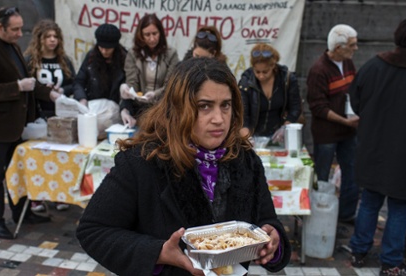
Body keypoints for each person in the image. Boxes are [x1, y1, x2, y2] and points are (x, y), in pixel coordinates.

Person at [76, 58, 291, 275]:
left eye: (225, 105)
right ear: (178, 108)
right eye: (204, 106)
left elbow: (267, 221)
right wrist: (158, 253)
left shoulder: (245, 160)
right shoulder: (143, 162)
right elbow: (93, 230)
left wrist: (273, 242)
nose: (219, 119)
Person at [0, 6, 59, 239]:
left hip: (17, 124)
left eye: (21, 28)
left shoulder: (13, 46)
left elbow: (27, 80)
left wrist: (51, 94)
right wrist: (17, 88)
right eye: (15, 29)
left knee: (18, 171)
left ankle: (22, 213)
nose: (21, 33)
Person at [348, 17, 406, 275]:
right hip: (405, 155)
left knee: (370, 202)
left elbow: (356, 100)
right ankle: (391, 261)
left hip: (373, 148)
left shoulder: (374, 65)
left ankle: (358, 252)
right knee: (398, 208)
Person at [306, 24, 360, 222]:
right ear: (339, 48)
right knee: (322, 176)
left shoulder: (349, 64)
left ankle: (345, 215)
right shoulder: (318, 70)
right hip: (327, 134)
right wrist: (346, 122)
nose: (356, 49)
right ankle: (320, 215)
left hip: (349, 132)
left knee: (352, 173)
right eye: (352, 45)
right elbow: (318, 107)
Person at [24, 19, 76, 212]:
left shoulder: (64, 60)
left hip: (60, 115)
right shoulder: (30, 60)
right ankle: (36, 196)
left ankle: (61, 194)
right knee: (38, 157)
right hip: (38, 115)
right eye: (48, 37)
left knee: (61, 157)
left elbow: (74, 82)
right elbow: (27, 84)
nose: (52, 40)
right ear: (40, 39)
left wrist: (62, 89)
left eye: (55, 36)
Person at [119, 13, 179, 128]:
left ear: (160, 33)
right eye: (147, 35)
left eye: (155, 34)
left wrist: (155, 94)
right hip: (140, 107)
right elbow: (133, 83)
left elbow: (171, 85)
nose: (152, 38)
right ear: (140, 35)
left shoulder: (171, 54)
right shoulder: (133, 54)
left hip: (163, 106)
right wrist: (127, 91)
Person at [239, 43, 301, 143]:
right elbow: (242, 114)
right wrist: (246, 137)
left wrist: (285, 128)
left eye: (265, 72)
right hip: (252, 134)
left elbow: (295, 107)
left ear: (273, 65)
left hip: (278, 134)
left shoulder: (287, 79)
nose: (261, 76)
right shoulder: (246, 81)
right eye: (257, 71)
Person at [73, 23, 126, 108]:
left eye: (108, 49)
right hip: (93, 105)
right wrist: (82, 99)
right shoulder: (91, 57)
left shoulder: (125, 60)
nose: (104, 51)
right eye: (101, 47)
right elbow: (79, 82)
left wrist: (124, 108)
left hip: (117, 108)